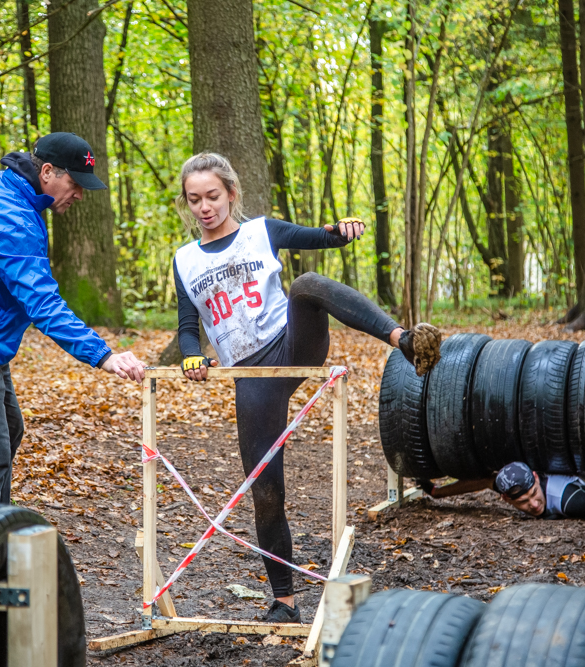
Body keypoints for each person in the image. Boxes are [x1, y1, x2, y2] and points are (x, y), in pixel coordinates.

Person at [172, 152, 442, 623]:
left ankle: (404, 341)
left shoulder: (261, 230)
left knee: (308, 283)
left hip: (293, 343)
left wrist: (342, 231)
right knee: (265, 489)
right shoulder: (185, 260)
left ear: (231, 193)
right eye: (195, 200)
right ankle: (284, 602)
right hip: (252, 376)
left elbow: (319, 238)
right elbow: (187, 325)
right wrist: (192, 354)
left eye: (213, 196)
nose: (205, 207)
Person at [0, 132, 146, 505]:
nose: (79, 195)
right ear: (47, 171)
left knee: (9, 430)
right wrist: (104, 355)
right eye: (75, 184)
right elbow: (42, 303)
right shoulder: (11, 218)